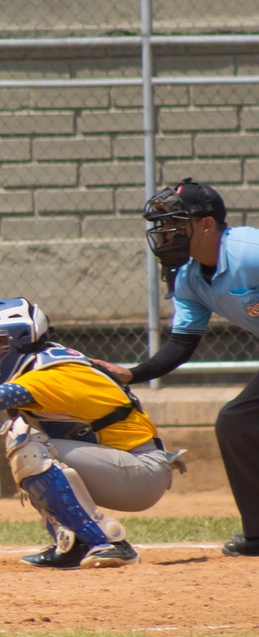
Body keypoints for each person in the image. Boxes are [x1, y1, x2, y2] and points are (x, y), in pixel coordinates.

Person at [0, 297, 182, 569]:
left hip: (142, 472)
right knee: (21, 432)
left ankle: (110, 542)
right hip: (122, 466)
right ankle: (74, 543)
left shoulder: (52, 370)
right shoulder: (41, 363)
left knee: (29, 447)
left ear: (21, 340)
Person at [96, 177, 259, 558]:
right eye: (162, 225)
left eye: (174, 222)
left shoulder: (248, 250)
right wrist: (132, 374)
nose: (165, 232)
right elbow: (184, 341)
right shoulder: (188, 277)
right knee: (236, 422)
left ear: (206, 224)